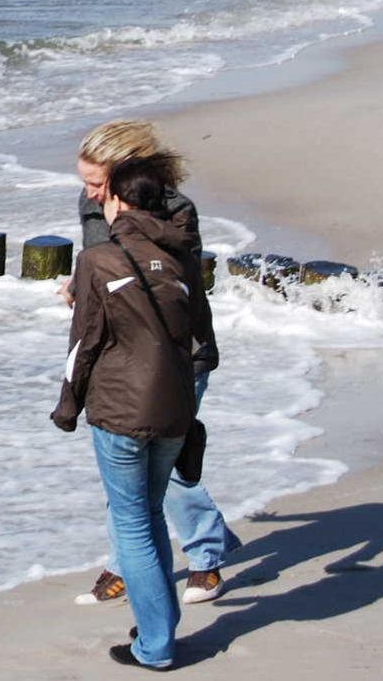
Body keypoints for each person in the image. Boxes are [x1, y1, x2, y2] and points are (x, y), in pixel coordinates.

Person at [53, 153, 217, 670]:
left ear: (120, 200)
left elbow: (85, 343)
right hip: (175, 403)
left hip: (122, 407)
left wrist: (67, 406)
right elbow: (200, 334)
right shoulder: (184, 254)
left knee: (133, 524)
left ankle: (157, 645)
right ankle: (158, 626)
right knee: (147, 515)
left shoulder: (99, 260)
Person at [67, 122, 234, 608]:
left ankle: (203, 556)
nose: (89, 193)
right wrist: (79, 287)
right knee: (127, 470)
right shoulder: (93, 204)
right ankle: (130, 563)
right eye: (85, 182)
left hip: (180, 352)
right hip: (122, 353)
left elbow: (170, 281)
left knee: (168, 468)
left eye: (97, 183)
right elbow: (103, 263)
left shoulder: (178, 212)